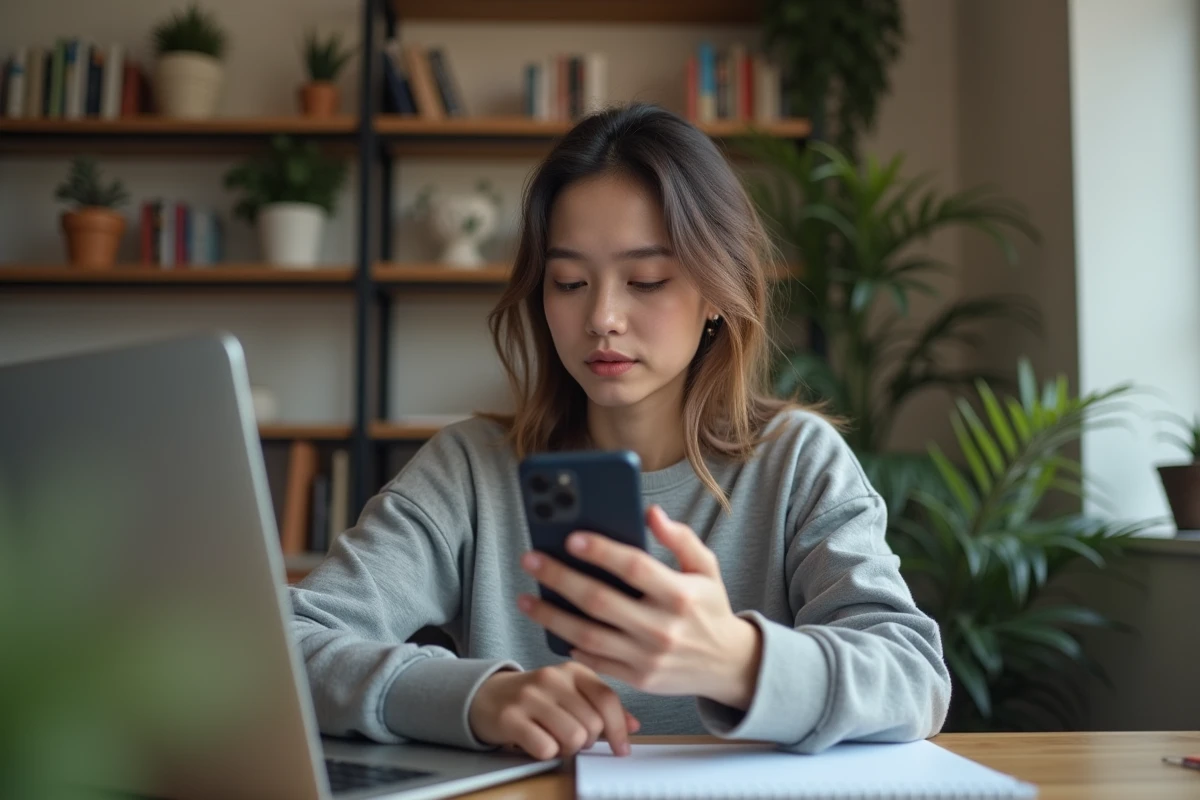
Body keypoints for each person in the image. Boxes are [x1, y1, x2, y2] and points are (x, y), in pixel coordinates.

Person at [290, 102, 950, 762]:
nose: (602, 316)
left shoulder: (798, 463)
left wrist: (736, 661)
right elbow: (289, 641)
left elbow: (913, 676)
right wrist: (478, 696)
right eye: (570, 281)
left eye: (646, 280)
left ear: (717, 291)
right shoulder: (468, 470)